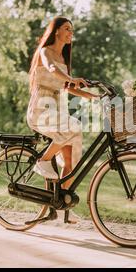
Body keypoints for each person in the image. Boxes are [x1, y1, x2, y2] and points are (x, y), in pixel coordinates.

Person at [26, 16, 98, 192]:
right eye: (67, 28)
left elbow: (66, 86)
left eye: (72, 30)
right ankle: (43, 161)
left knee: (72, 161)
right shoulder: (46, 51)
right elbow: (52, 69)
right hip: (40, 110)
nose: (70, 33)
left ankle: (62, 204)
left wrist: (91, 96)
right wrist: (72, 79)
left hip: (56, 111)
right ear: (56, 30)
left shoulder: (64, 59)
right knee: (75, 125)